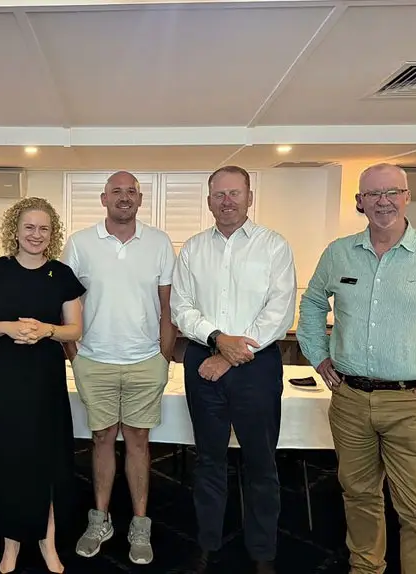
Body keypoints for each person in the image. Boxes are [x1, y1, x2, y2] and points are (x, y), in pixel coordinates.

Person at [296, 163, 416, 574]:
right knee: (358, 495)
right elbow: (313, 304)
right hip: (350, 399)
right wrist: (318, 354)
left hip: (414, 402)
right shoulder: (339, 253)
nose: (383, 201)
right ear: (359, 202)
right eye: (372, 194)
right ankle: (366, 568)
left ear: (407, 197)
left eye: (392, 192)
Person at [171, 165, 296, 574]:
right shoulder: (192, 248)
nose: (227, 201)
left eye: (234, 193)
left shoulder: (274, 246)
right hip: (202, 361)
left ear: (249, 197)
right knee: (208, 461)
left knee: (260, 462)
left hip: (255, 368)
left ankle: (263, 552)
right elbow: (181, 308)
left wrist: (227, 354)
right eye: (219, 194)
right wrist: (216, 339)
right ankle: (207, 544)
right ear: (208, 201)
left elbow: (278, 313)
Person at [61, 171, 176, 565]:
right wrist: (74, 353)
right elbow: (67, 302)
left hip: (146, 360)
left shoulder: (159, 243)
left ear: (140, 199)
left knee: (140, 442)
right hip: (94, 360)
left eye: (131, 192)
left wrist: (163, 355)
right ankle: (100, 520)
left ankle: (140, 524)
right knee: (102, 440)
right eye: (116, 192)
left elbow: (167, 307)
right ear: (103, 198)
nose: (123, 198)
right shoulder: (79, 243)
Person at [0, 197, 85, 574]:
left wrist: (46, 330)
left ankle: (47, 542)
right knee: (8, 461)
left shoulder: (62, 274)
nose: (36, 235)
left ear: (52, 235)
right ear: (15, 231)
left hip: (44, 378)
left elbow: (75, 329)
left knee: (46, 461)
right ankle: (11, 545)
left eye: (44, 229)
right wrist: (9, 327)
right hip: (4, 379)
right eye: (29, 227)